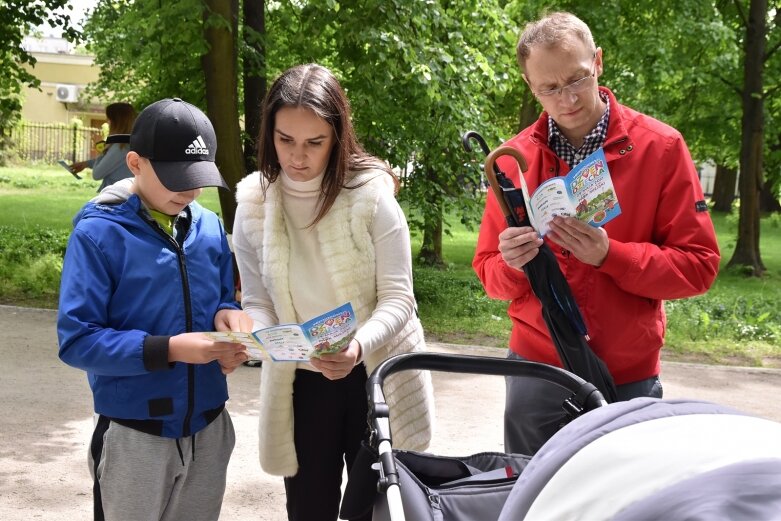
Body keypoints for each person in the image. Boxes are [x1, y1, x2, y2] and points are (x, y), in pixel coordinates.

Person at [473, 12, 721, 456]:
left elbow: (699, 266)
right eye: (549, 88)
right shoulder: (511, 161)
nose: (567, 99)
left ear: (599, 62)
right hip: (538, 366)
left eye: (577, 79)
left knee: (621, 498)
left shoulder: (661, 148)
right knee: (533, 495)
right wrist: (513, 263)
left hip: (627, 370)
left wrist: (612, 256)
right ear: (531, 87)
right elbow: (489, 273)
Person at [232, 63, 434, 521]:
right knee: (308, 508)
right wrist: (255, 338)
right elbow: (258, 302)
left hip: (374, 374)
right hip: (302, 381)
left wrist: (358, 345)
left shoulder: (372, 197)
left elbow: (400, 298)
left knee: (375, 508)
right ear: (269, 133)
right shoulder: (252, 205)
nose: (297, 156)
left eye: (314, 142)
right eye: (285, 140)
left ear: (338, 136)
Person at [57, 97, 251, 521]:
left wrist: (228, 316)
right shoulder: (97, 236)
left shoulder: (210, 227)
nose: (190, 191)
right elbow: (77, 340)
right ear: (134, 163)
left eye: (199, 178)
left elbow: (222, 297)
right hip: (135, 434)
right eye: (176, 177)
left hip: (210, 429)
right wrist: (170, 349)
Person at [71, 102, 137, 192]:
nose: (107, 122)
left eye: (108, 119)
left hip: (116, 200)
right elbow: (112, 163)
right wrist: (86, 164)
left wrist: (101, 151)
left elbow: (97, 174)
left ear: (116, 122)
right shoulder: (131, 144)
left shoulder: (120, 147)